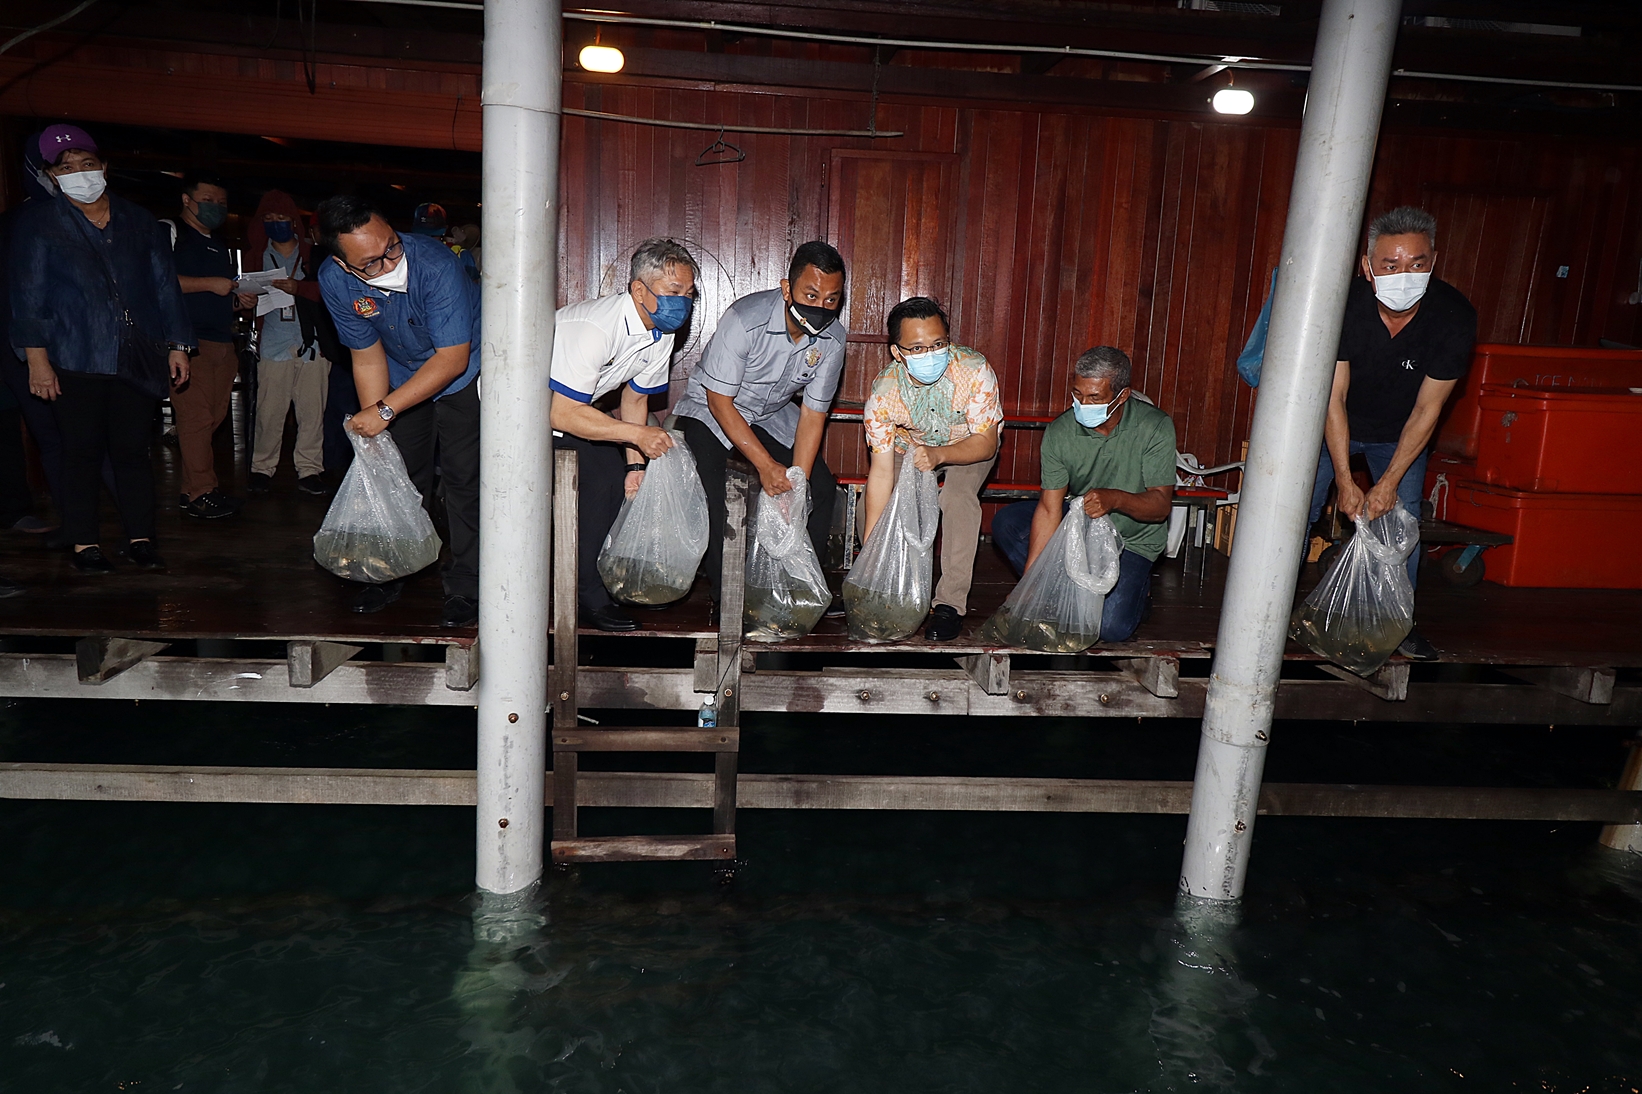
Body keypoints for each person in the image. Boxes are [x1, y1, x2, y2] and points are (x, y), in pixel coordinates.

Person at [9, 123, 193, 574]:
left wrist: (178, 344)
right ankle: (84, 543)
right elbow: (27, 293)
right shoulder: (38, 223)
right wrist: (36, 359)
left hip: (135, 354)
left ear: (104, 167)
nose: (79, 173)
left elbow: (163, 285)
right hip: (73, 356)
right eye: (66, 168)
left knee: (133, 451)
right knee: (81, 452)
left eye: (87, 165)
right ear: (53, 177)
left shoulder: (138, 220)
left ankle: (141, 538)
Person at [1306, 205, 1476, 663]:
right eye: (1391, 265)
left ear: (1433, 261)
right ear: (1368, 266)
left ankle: (1398, 627)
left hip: (1399, 432)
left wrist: (1386, 484)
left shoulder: (1454, 316)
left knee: (1399, 522)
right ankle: (1269, 614)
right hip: (1323, 425)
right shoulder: (1341, 306)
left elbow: (1429, 408)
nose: (1405, 274)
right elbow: (1332, 398)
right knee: (1291, 513)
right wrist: (1344, 479)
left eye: (1417, 264)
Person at [316, 194, 481, 628]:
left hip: (464, 370)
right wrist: (375, 418)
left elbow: (451, 359)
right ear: (343, 263)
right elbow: (366, 354)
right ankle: (392, 567)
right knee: (400, 474)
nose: (389, 262)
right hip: (400, 370)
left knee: (465, 479)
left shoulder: (436, 264)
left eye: (392, 246)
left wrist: (384, 411)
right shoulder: (334, 281)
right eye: (371, 262)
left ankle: (467, 583)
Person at [674, 241, 847, 618]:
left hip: (772, 412)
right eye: (811, 294)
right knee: (718, 489)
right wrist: (767, 466)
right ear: (788, 289)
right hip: (711, 409)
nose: (820, 307)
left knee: (817, 486)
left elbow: (813, 415)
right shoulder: (745, 319)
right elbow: (720, 401)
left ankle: (806, 588)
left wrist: (795, 481)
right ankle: (727, 598)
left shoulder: (833, 340)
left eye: (831, 300)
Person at [548, 238, 698, 632]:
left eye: (688, 292)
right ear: (638, 290)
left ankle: (589, 589)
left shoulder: (661, 333)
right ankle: (584, 596)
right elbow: (560, 412)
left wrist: (635, 464)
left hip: (569, 413)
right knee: (596, 484)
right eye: (673, 292)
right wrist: (637, 436)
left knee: (616, 482)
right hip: (511, 414)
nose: (683, 302)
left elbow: (634, 401)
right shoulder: (595, 328)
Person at [991, 346, 1175, 644]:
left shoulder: (1154, 427)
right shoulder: (1061, 432)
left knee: (1109, 628)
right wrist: (1029, 586)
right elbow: (1050, 509)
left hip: (1133, 539)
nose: (1082, 404)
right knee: (1009, 522)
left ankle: (1139, 594)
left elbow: (1160, 506)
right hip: (1081, 526)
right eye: (1077, 394)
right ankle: (1057, 586)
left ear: (1122, 395)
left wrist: (1115, 499)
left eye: (1094, 398)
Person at [860, 297, 1002, 642]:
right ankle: (889, 590)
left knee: (957, 496)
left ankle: (950, 604)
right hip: (910, 448)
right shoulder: (884, 394)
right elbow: (880, 473)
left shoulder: (974, 369)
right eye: (918, 348)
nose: (931, 354)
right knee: (882, 500)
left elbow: (987, 443)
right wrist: (870, 559)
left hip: (968, 444)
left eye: (939, 344)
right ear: (897, 352)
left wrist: (940, 455)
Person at [168, 171, 248, 519]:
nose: (215, 207)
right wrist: (210, 284)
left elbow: (218, 292)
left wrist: (236, 301)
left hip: (221, 342)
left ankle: (191, 491)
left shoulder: (218, 246)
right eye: (208, 200)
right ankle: (203, 491)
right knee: (197, 418)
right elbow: (160, 282)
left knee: (212, 418)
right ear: (187, 200)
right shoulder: (171, 235)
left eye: (221, 203)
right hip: (187, 342)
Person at [243, 190, 331, 496]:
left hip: (313, 345)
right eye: (268, 218)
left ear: (294, 222)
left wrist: (300, 288)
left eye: (282, 218)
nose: (276, 223)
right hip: (272, 344)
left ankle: (310, 469)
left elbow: (333, 293)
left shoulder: (315, 255)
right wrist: (244, 300)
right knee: (269, 412)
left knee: (311, 412)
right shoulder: (254, 256)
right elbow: (240, 297)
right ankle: (261, 468)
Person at [412, 202, 478, 284]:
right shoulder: (404, 254)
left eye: (433, 235)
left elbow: (473, 289)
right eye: (423, 235)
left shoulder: (462, 255)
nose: (427, 240)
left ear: (445, 230)